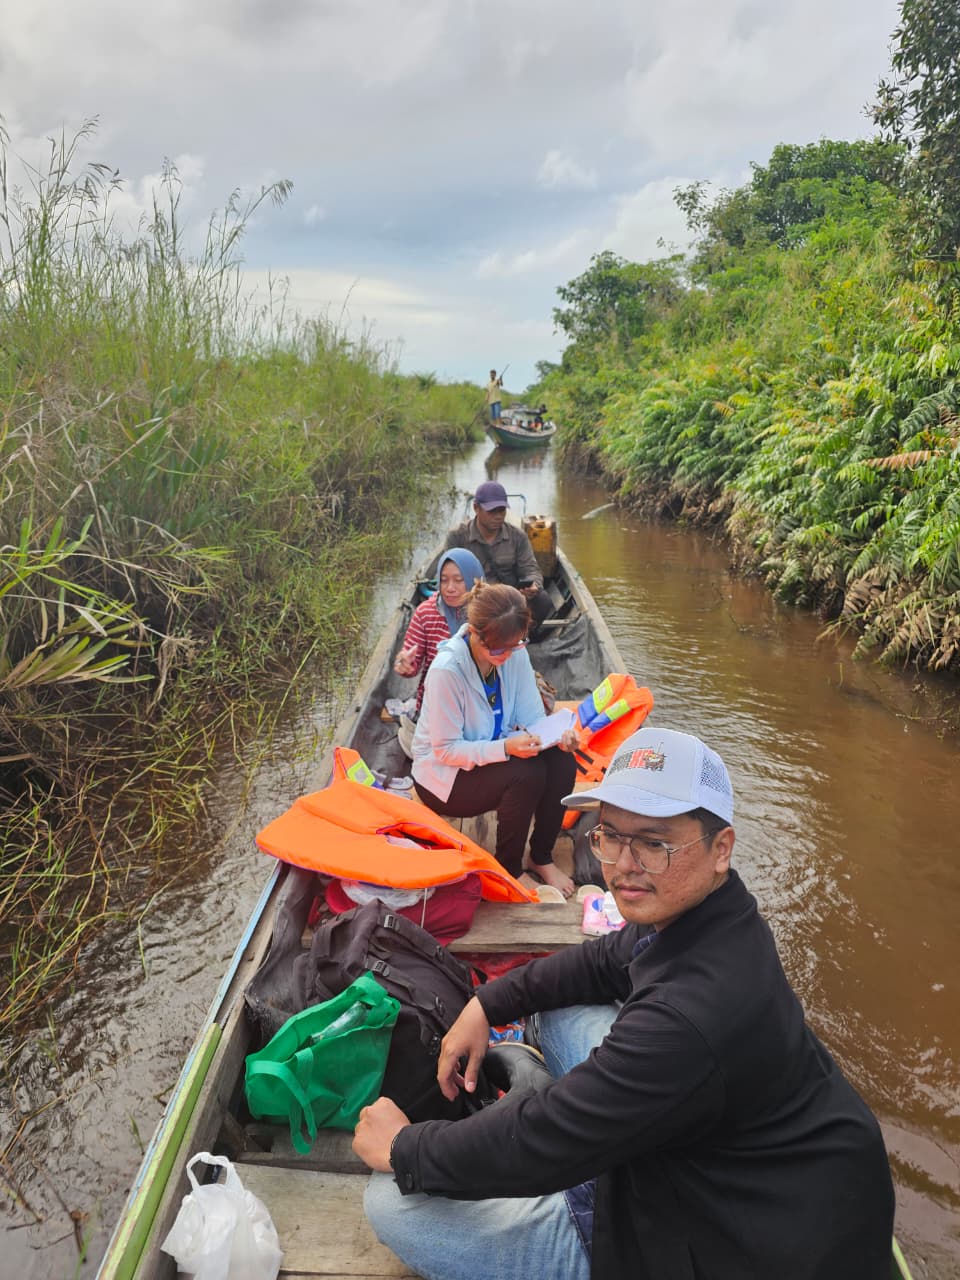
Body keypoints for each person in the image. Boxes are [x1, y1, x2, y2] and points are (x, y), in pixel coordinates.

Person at [353, 726, 896, 1280]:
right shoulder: (706, 915)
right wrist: (486, 1004)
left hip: (720, 1240)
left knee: (393, 1204)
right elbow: (600, 962)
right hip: (745, 1161)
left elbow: (542, 1143)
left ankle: (582, 1124)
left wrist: (405, 1148)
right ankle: (589, 1101)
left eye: (655, 843)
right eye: (610, 836)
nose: (624, 865)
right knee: (560, 1003)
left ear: (721, 849)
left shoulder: (689, 1016)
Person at [408, 582, 577, 898]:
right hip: (444, 780)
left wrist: (558, 737)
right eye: (497, 649)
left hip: (490, 756)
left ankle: (540, 857)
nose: (507, 655)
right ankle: (509, 869)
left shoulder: (514, 654)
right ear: (473, 632)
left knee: (562, 761)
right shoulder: (448, 671)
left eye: (517, 645)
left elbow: (530, 719)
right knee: (526, 773)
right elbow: (445, 751)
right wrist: (505, 748)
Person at [393, 548, 485, 750]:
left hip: (480, 700)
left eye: (459, 580)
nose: (450, 588)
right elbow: (411, 662)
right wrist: (405, 664)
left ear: (473, 579)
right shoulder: (426, 613)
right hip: (436, 704)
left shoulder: (488, 610)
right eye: (444, 580)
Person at [443, 481, 552, 632]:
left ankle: (522, 637)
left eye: (501, 510)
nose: (498, 516)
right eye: (492, 511)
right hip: (475, 600)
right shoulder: (457, 536)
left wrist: (533, 586)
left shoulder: (517, 536)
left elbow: (531, 569)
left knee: (543, 600)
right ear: (476, 508)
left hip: (511, 599)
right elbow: (447, 576)